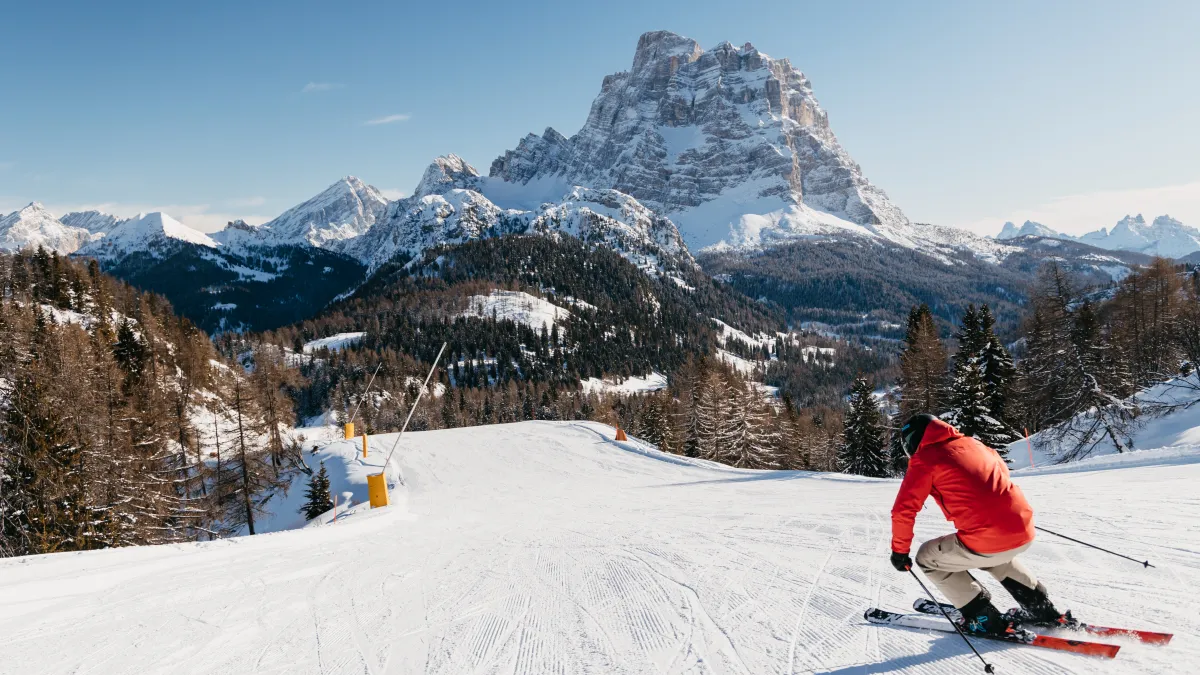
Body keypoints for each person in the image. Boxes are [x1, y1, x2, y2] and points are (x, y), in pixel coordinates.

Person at [889, 414, 1063, 636]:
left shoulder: (925, 459)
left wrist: (900, 552)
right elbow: (995, 481)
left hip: (988, 536)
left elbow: (903, 510)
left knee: (927, 558)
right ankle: (1042, 611)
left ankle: (983, 618)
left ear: (913, 440)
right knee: (997, 558)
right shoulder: (975, 444)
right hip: (1023, 528)